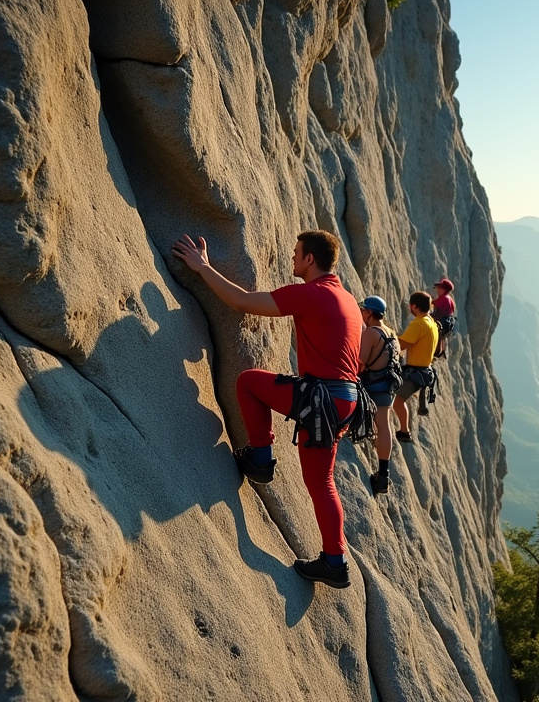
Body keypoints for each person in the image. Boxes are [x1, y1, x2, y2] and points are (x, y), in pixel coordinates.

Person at [171, 229, 360, 589]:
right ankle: (335, 562)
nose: (292, 258)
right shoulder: (348, 300)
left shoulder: (312, 294)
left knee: (248, 382)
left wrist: (203, 267)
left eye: (296, 253)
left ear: (310, 259)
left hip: (322, 399)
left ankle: (260, 457)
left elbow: (241, 302)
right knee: (322, 482)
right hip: (345, 400)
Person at [358, 295, 401, 495]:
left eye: (363, 309)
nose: (361, 312)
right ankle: (383, 474)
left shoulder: (371, 333)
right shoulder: (391, 333)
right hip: (387, 386)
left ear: (369, 312)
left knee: (381, 424)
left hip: (372, 386)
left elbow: (360, 362)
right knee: (384, 425)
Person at [392, 291, 439, 443]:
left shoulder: (418, 323)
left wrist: (388, 337)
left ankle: (404, 431)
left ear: (414, 306)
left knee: (398, 400)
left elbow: (403, 344)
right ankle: (404, 430)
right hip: (424, 371)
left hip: (415, 372)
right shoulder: (431, 322)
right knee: (399, 399)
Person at [431, 278, 457, 359]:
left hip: (442, 321)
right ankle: (440, 351)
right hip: (447, 323)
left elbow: (439, 312)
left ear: (445, 290)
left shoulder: (444, 299)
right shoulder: (448, 298)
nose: (438, 290)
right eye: (439, 288)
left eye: (441, 288)